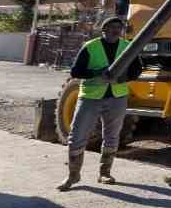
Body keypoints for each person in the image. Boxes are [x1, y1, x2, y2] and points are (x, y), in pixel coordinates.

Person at [60, 15, 142, 191]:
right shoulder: (91, 47)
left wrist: (121, 79)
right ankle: (73, 175)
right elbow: (76, 71)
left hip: (117, 97)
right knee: (77, 136)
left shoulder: (127, 47)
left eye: (119, 28)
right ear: (103, 29)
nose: (116, 30)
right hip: (90, 97)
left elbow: (137, 70)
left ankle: (105, 173)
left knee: (112, 136)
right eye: (112, 27)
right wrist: (98, 73)